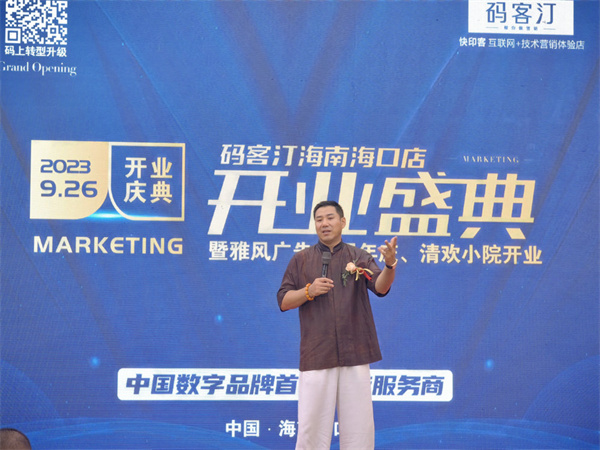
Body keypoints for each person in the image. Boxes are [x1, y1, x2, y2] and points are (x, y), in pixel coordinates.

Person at [277, 200, 398, 449]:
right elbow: (283, 300)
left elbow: (380, 287)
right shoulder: (301, 260)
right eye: (319, 219)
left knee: (359, 430)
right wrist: (309, 291)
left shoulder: (358, 257)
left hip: (355, 352)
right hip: (317, 353)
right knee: (311, 430)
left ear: (343, 222)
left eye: (330, 218)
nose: (324, 223)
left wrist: (389, 265)